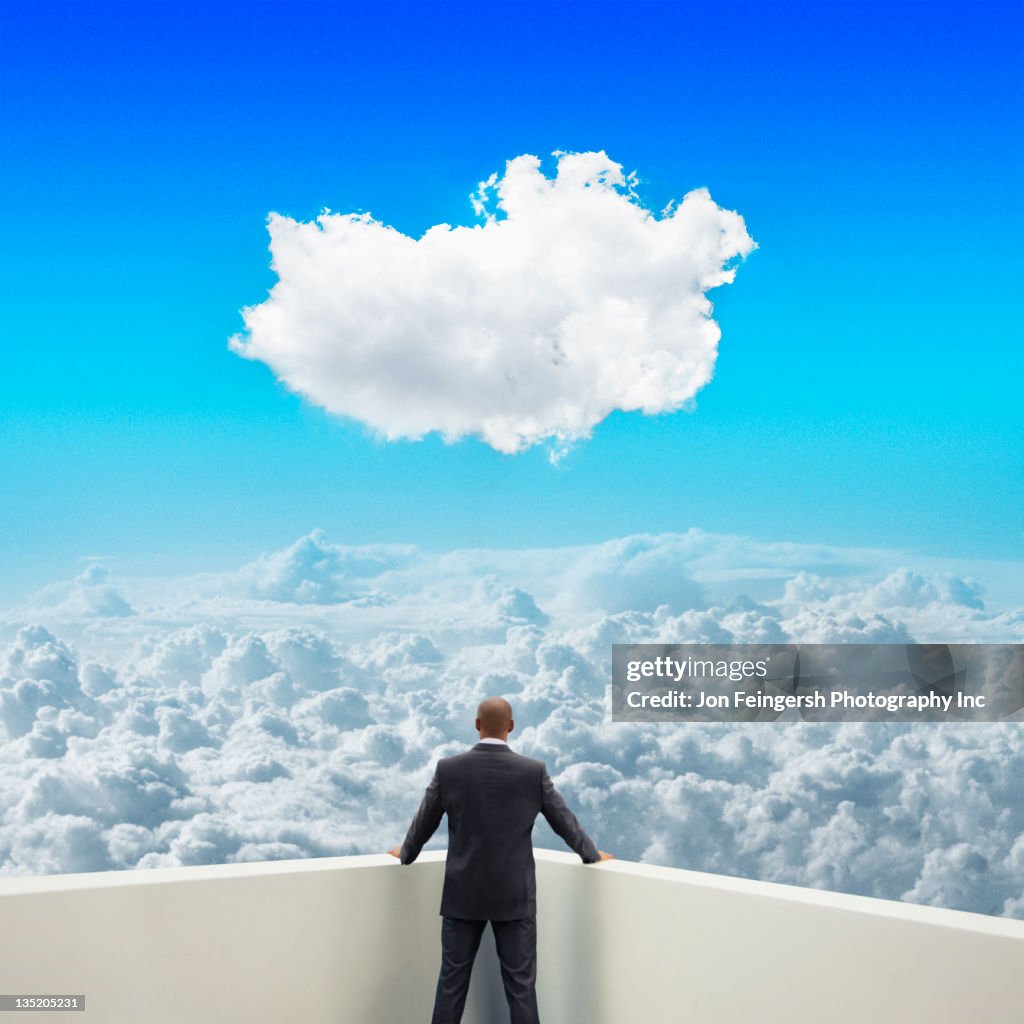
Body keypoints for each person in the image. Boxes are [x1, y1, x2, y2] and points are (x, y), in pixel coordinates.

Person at [387, 696, 614, 1024]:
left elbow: (424, 822)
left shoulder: (448, 769)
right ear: (511, 726)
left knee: (451, 984)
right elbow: (564, 821)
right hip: (514, 896)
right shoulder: (532, 772)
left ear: (477, 725)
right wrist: (591, 855)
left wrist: (405, 853)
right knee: (521, 988)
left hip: (462, 895)